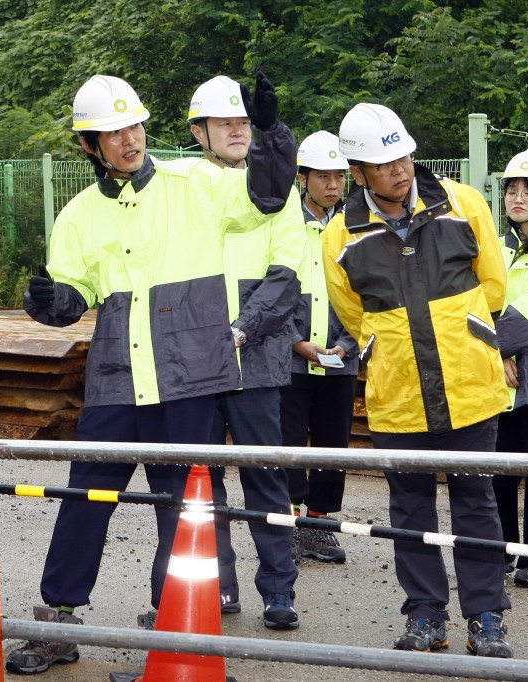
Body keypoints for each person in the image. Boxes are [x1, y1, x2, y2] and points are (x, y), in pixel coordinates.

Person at [6, 69, 298, 675]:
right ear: (90, 145)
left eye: (134, 125)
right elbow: (73, 291)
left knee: (182, 508)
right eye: (112, 133)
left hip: (189, 376)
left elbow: (264, 200)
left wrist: (271, 134)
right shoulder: (80, 213)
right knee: (85, 496)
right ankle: (57, 620)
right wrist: (52, 302)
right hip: (116, 375)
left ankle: (178, 638)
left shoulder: (196, 182)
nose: (128, 139)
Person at [323, 103, 513, 657]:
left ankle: (486, 618)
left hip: (469, 384)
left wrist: (467, 334)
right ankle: (426, 615)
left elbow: (494, 285)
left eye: (402, 155)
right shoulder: (342, 234)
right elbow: (352, 315)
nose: (399, 170)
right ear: (358, 172)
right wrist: (392, 348)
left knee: (476, 501)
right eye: (383, 164)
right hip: (400, 391)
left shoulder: (462, 203)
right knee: (409, 507)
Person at [187, 74, 304, 627]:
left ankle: (279, 590)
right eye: (224, 123)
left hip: (256, 357)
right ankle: (218, 586)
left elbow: (287, 275)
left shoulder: (278, 189)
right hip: (195, 360)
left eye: (242, 121)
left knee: (265, 476)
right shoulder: (179, 185)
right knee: (200, 479)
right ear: (198, 132)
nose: (236, 130)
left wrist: (241, 328)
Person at [282, 131, 358, 564]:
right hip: (291, 360)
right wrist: (296, 341)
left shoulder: (355, 227)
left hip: (340, 359)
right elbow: (275, 288)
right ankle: (290, 525)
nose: (332, 184)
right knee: (289, 442)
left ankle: (319, 524)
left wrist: (347, 344)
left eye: (339, 176)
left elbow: (366, 294)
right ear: (303, 177)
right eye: (323, 176)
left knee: (332, 444)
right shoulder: (284, 222)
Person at [494, 148, 528, 590]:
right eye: (512, 189)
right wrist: (499, 352)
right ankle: (505, 550)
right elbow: (482, 301)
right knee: (500, 470)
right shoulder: (498, 246)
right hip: (500, 378)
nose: (519, 197)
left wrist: (497, 343)